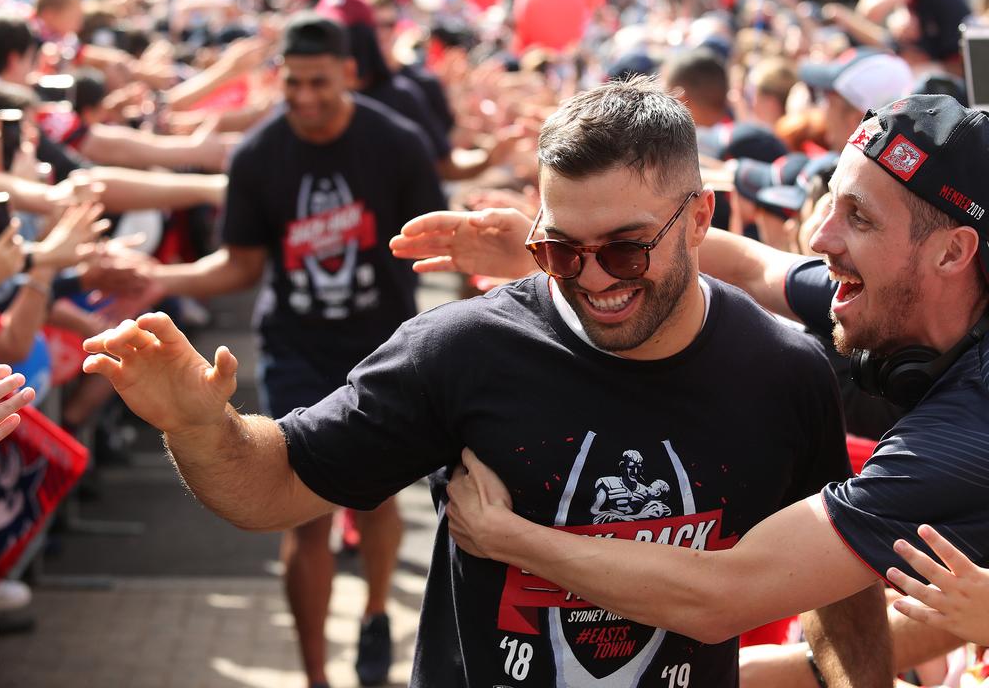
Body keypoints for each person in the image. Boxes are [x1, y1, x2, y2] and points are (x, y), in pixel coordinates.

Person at [82, 77, 887, 687]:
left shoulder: (782, 373)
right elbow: (276, 486)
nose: (593, 278)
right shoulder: (464, 350)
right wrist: (197, 427)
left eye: (626, 247)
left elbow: (842, 593)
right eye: (561, 250)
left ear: (702, 217)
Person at [411, 93, 989, 686]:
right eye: (831, 206)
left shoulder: (966, 433)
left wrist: (509, 538)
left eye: (859, 217)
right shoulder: (910, 280)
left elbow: (723, 595)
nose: (819, 238)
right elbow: (756, 269)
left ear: (952, 251)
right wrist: (581, 251)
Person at [130, 10, 444, 688]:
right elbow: (240, 264)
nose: (303, 98)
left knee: (379, 501)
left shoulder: (397, 143)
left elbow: (429, 246)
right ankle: (315, 677)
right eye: (292, 84)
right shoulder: (260, 154)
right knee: (305, 517)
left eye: (319, 84)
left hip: (380, 347)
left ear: (351, 75)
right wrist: (161, 278)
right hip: (296, 349)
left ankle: (377, 614)